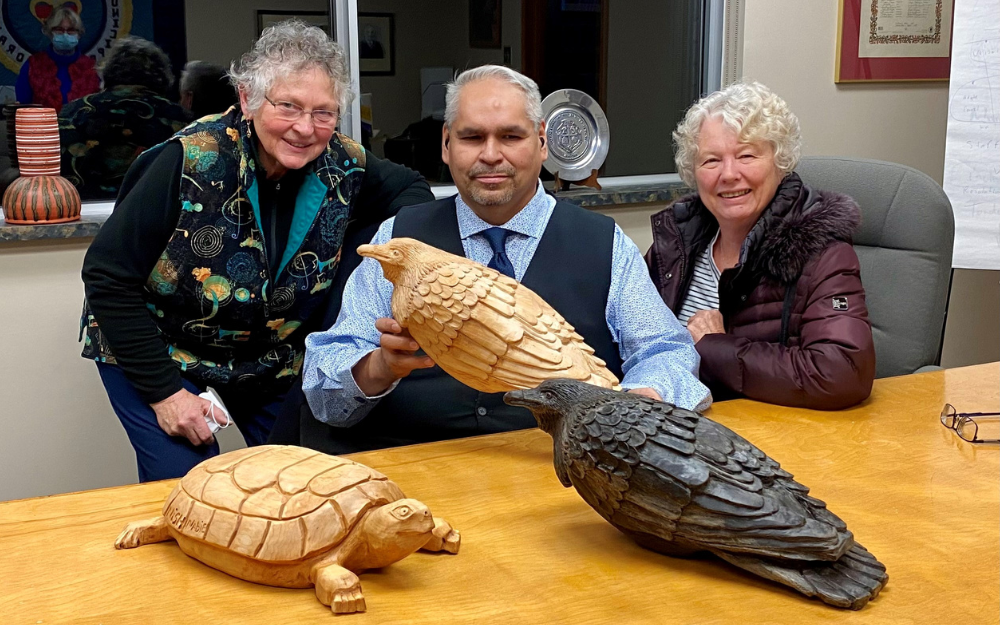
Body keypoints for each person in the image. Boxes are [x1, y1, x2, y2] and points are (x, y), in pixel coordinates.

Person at [80, 20, 433, 482]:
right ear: (247, 99)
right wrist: (166, 393)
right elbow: (107, 275)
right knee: (184, 483)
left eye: (324, 113)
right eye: (288, 106)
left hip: (267, 356)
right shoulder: (186, 159)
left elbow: (413, 192)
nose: (305, 128)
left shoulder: (344, 163)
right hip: (161, 344)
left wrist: (354, 260)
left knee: (299, 480)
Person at [300, 65, 710, 454]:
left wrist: (643, 400)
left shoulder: (605, 244)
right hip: (420, 472)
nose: (491, 155)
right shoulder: (397, 241)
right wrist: (380, 366)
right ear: (446, 144)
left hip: (562, 478)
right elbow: (324, 391)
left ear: (543, 141)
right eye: (472, 137)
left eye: (511, 137)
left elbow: (666, 351)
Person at [644, 81, 875, 410]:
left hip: (766, 441)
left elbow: (841, 372)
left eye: (746, 156)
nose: (728, 174)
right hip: (667, 428)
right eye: (711, 161)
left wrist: (715, 347)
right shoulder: (676, 243)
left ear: (780, 163)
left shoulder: (822, 251)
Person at [59, 37, 193, 200]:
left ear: (108, 72)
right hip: (155, 214)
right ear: (161, 76)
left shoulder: (72, 112)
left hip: (81, 209)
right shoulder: (178, 116)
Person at [15, 6, 99, 112]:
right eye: (59, 30)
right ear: (49, 32)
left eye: (71, 30)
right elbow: (23, 108)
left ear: (79, 34)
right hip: (42, 127)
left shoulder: (91, 68)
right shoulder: (32, 66)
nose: (65, 35)